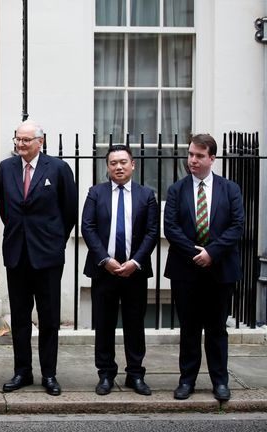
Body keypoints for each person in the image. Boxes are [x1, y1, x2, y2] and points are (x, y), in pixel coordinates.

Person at [0, 119, 77, 396]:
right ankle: (22, 371)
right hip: (17, 253)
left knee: (49, 318)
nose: (20, 144)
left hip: (47, 256)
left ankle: (49, 374)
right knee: (19, 318)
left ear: (40, 142)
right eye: (17, 139)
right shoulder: (6, 168)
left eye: (26, 140)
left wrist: (53, 241)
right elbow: (6, 210)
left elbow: (69, 212)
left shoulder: (58, 168)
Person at [164, 133, 244, 402]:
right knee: (188, 328)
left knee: (216, 328)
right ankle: (186, 380)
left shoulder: (230, 189)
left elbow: (237, 226)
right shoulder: (176, 189)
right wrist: (195, 253)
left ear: (212, 158)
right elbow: (171, 228)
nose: (192, 160)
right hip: (186, 270)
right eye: (190, 154)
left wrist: (212, 252)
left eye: (199, 155)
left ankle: (220, 381)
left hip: (220, 269)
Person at [81, 145, 158, 396]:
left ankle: (135, 374)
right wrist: (105, 259)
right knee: (104, 325)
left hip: (134, 272)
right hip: (105, 271)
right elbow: (88, 227)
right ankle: (105, 374)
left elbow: (151, 232)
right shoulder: (96, 193)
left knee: (135, 325)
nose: (119, 167)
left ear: (133, 164)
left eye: (123, 162)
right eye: (113, 163)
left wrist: (135, 262)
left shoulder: (146, 195)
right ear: (107, 167)